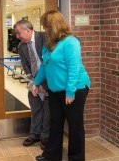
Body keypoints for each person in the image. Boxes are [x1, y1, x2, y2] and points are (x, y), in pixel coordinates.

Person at [32, 10, 90, 161]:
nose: (45, 30)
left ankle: (76, 158)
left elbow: (74, 68)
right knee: (55, 122)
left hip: (75, 88)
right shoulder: (49, 44)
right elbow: (45, 66)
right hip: (55, 89)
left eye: (47, 27)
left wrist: (70, 91)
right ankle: (52, 155)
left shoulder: (71, 42)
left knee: (74, 125)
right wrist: (35, 82)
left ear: (55, 26)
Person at [13, 19, 50, 150]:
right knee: (35, 109)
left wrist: (41, 84)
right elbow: (26, 66)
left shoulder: (45, 38)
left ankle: (45, 137)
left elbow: (48, 64)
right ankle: (34, 135)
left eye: (18, 33)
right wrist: (31, 82)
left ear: (27, 30)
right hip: (34, 82)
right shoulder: (21, 47)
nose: (17, 37)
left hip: (49, 81)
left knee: (48, 111)